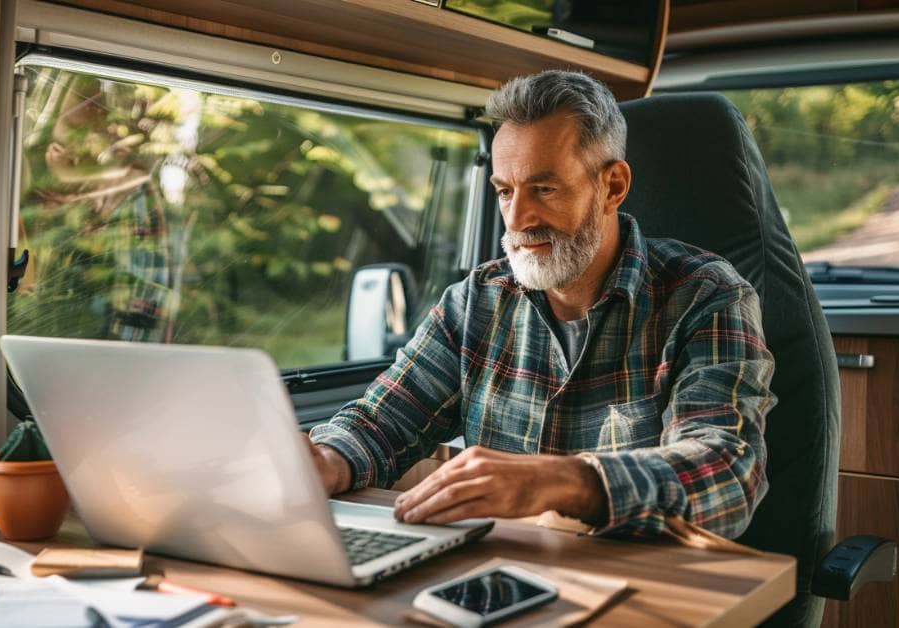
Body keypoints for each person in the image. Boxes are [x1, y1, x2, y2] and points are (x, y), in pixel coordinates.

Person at [307, 70, 776, 538]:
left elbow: (725, 471)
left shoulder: (706, 295)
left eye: (544, 189)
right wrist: (328, 460)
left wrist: (567, 481)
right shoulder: (478, 301)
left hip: (647, 585)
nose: (517, 219)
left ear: (612, 186)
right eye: (505, 191)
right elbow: (383, 422)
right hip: (505, 576)